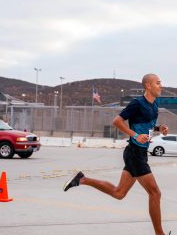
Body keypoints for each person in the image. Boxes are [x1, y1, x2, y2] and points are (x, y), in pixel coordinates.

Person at [63, 73, 170, 235]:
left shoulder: (154, 105)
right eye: (158, 83)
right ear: (148, 85)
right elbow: (117, 121)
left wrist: (158, 128)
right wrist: (134, 135)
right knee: (155, 192)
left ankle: (82, 179)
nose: (161, 86)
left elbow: (146, 127)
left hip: (140, 153)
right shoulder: (137, 103)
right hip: (134, 153)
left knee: (119, 193)